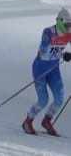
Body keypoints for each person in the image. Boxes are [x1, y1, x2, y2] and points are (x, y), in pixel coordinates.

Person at [22, 7, 71, 136]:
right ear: (60, 21)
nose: (68, 27)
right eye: (67, 24)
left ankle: (46, 121)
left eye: (70, 24)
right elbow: (43, 53)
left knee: (59, 99)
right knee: (43, 100)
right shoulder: (49, 32)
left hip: (53, 69)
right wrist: (62, 55)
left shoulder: (69, 33)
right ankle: (28, 121)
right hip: (40, 68)